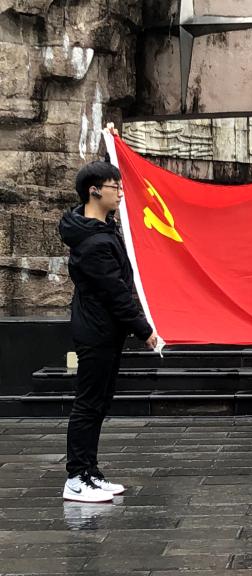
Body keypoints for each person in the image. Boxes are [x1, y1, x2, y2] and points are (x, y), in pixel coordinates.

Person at [58, 161, 158, 503]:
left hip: (106, 330)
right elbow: (115, 291)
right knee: (88, 404)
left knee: (98, 402)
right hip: (95, 330)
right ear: (94, 191)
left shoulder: (103, 229)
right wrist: (143, 329)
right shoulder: (92, 242)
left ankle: (90, 472)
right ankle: (76, 478)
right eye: (115, 186)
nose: (121, 193)